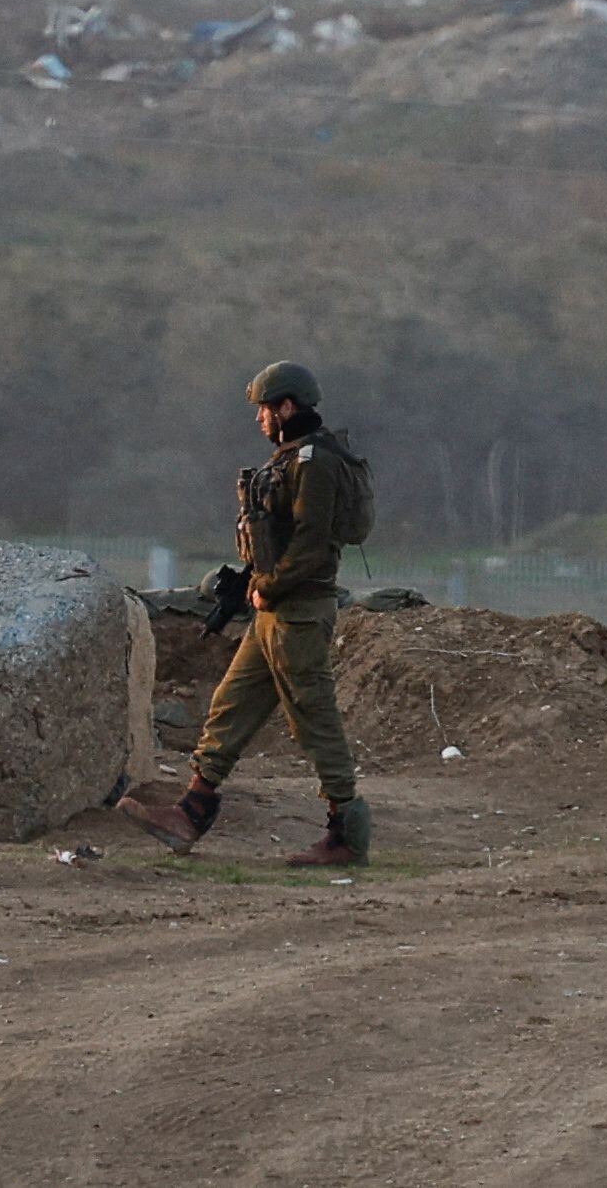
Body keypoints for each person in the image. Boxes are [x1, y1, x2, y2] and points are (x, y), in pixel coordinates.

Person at [119, 360, 375, 867]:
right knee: (231, 706)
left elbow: (310, 546)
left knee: (314, 718)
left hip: (297, 613)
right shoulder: (290, 460)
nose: (260, 419)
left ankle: (346, 832)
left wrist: (266, 586)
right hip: (274, 612)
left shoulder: (315, 462)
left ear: (287, 407)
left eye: (265, 408)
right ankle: (190, 813)